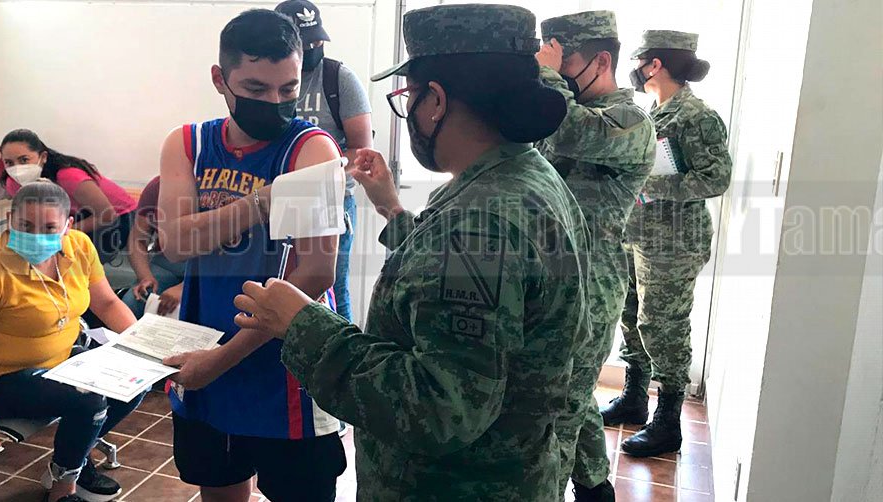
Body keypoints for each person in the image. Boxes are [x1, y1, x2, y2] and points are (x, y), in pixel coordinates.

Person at [228, 4, 593, 499]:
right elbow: (462, 286)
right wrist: (394, 213)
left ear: (435, 101)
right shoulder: (524, 177)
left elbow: (439, 410)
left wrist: (303, 325)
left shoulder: (479, 222)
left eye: (408, 97)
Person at [155, 9, 346, 502]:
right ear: (220, 79)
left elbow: (316, 272)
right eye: (256, 89)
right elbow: (176, 243)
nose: (275, 103)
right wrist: (261, 202)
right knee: (219, 488)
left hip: (285, 362)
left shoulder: (311, 150)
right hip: (204, 341)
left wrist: (222, 359)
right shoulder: (189, 143)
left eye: (288, 89)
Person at [0, 180, 145, 502]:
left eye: (49, 228)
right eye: (26, 225)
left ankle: (74, 459)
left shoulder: (79, 247)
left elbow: (107, 303)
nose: (36, 236)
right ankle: (63, 489)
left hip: (62, 359)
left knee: (134, 380)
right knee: (88, 401)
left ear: (67, 225)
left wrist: (143, 348)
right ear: (9, 220)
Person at [534, 11, 656, 501]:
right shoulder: (561, 109)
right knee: (574, 395)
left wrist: (545, 78)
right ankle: (594, 488)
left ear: (601, 61)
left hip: (589, 286)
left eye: (562, 64)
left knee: (558, 413)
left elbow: (568, 132)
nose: (555, 75)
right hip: (549, 276)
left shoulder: (631, 121)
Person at [604, 30, 732, 458]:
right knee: (631, 315)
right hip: (637, 235)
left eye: (639, 61)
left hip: (673, 244)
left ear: (654, 64)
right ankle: (634, 397)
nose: (635, 70)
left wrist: (650, 184)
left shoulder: (696, 116)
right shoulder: (652, 113)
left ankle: (668, 422)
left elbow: (716, 178)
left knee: (663, 326)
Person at [275, 0, 374, 324]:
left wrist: (318, 174)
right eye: (306, 43)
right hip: (279, 201)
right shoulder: (269, 83)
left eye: (318, 40)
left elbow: (362, 151)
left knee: (332, 290)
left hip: (333, 202)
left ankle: (342, 355)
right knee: (280, 287)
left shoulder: (338, 78)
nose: (313, 48)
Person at [1, 129, 137, 263]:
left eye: (24, 160)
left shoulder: (68, 176)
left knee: (71, 255)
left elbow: (107, 215)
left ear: (43, 157)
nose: (17, 168)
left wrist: (59, 233)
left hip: (118, 216)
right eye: (9, 163)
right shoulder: (13, 184)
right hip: (71, 216)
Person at [121, 176, 186, 318]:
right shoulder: (157, 186)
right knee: (132, 304)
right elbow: (137, 239)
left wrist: (186, 287)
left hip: (207, 267)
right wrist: (145, 276)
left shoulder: (212, 189)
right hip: (166, 261)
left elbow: (223, 257)